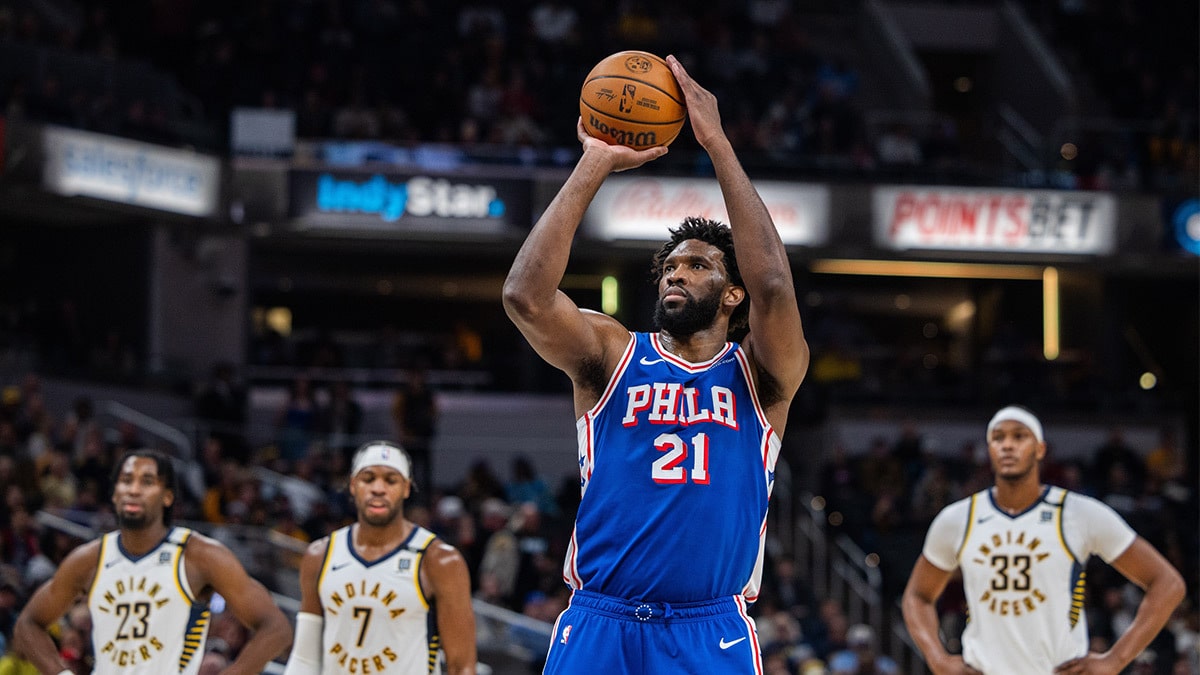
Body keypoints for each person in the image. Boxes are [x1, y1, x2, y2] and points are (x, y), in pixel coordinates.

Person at [503, 54, 809, 674]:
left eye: (697, 265)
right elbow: (524, 296)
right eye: (670, 266)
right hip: (600, 619)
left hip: (709, 629)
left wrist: (718, 144)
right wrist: (595, 160)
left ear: (733, 294)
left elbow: (775, 286)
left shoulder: (763, 375)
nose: (676, 274)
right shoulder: (612, 354)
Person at [901, 405, 1185, 674]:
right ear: (990, 450)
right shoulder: (957, 519)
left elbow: (1168, 583)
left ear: (1040, 449)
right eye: (998, 438)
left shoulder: (1079, 513)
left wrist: (1115, 661)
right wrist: (937, 659)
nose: (1007, 445)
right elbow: (916, 596)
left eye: (1019, 436)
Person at [13, 450, 293, 675]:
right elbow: (28, 623)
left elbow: (276, 628)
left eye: (146, 482)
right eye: (126, 480)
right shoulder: (89, 559)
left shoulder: (199, 555)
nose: (133, 490)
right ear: (115, 494)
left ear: (168, 496)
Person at [282, 440, 477, 675]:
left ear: (406, 488)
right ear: (353, 485)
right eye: (368, 478)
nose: (378, 488)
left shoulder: (439, 560)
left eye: (390, 480)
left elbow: (462, 666)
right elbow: (304, 659)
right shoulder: (320, 555)